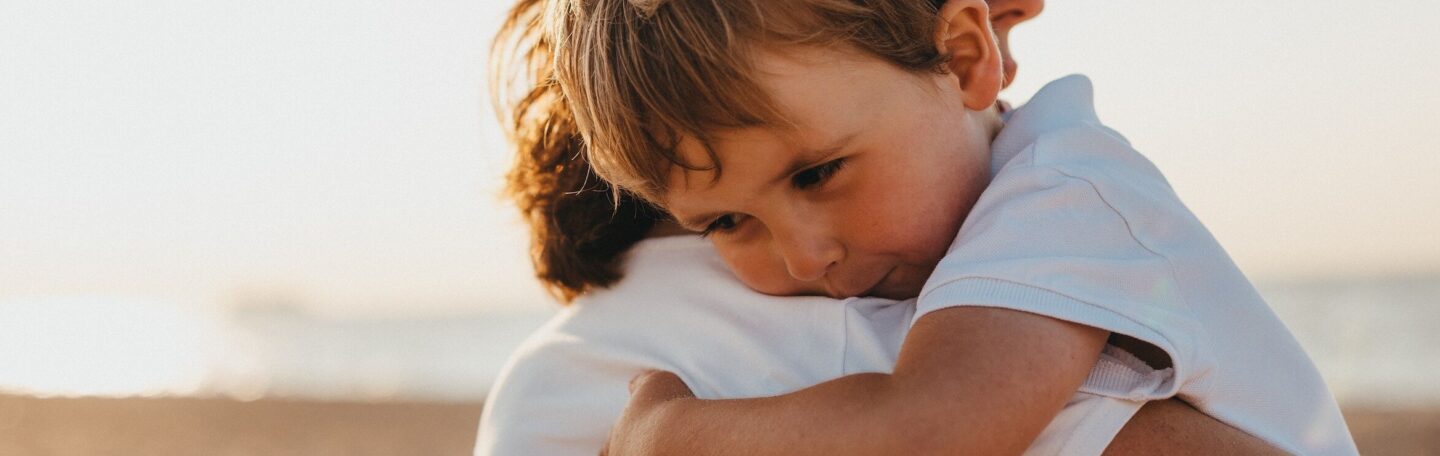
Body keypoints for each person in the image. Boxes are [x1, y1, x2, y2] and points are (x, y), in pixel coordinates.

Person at [477, 0, 1312, 454]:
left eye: (817, 173)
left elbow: (931, 433)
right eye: (728, 221)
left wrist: (673, 434)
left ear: (962, 57)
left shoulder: (1064, 193)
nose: (806, 256)